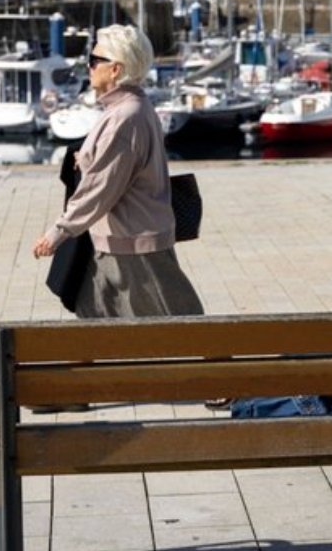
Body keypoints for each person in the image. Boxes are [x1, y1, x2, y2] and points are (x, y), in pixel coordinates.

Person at [31, 25, 204, 411]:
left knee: (178, 316)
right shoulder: (131, 109)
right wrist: (85, 158)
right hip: (118, 236)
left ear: (116, 68)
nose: (88, 66)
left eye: (95, 60)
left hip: (132, 241)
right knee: (92, 309)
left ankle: (222, 380)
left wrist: (58, 232)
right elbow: (113, 167)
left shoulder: (124, 117)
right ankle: (77, 391)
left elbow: (101, 188)